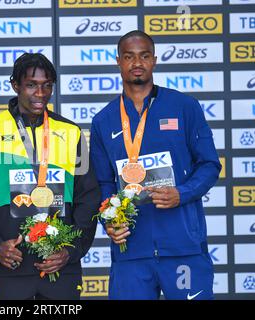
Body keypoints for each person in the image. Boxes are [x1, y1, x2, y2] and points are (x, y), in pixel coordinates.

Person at [90, 30, 221, 300]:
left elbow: (209, 164)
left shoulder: (185, 106)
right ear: (118, 61)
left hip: (183, 246)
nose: (137, 63)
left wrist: (181, 193)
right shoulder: (103, 120)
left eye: (144, 55)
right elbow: (103, 183)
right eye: (129, 56)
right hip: (131, 250)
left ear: (155, 60)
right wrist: (109, 221)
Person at [0, 53, 100, 300]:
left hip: (60, 266)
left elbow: (89, 197)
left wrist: (70, 251)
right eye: (31, 85)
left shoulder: (70, 133)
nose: (40, 93)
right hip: (10, 264)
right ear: (15, 85)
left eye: (47, 85)